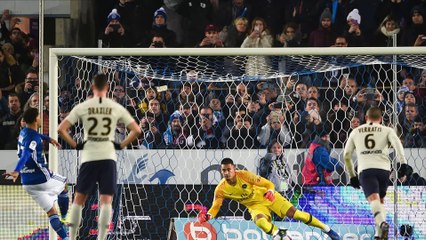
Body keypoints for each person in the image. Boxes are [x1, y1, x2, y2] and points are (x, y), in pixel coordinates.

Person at [57, 74, 141, 240]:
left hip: (89, 157)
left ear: (92, 88)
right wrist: (121, 145)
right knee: (106, 201)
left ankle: (72, 237)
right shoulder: (114, 106)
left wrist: (75, 145)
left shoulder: (84, 106)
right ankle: (102, 238)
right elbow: (137, 130)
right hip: (108, 157)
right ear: (107, 88)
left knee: (78, 200)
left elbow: (61, 128)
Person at [198, 158, 341, 240]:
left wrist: (271, 191)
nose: (227, 173)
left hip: (267, 197)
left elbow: (268, 183)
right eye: (224, 170)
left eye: (229, 169)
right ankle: (278, 234)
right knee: (259, 221)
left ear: (234, 169)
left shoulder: (245, 175)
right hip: (254, 206)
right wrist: (208, 215)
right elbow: (216, 206)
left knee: (297, 215)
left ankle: (326, 229)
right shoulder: (221, 189)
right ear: (221, 171)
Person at [343, 106, 411, 240]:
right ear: (380, 119)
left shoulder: (356, 131)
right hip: (384, 170)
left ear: (366, 118)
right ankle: (378, 234)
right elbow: (398, 145)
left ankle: (381, 224)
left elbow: (346, 155)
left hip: (366, 169)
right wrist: (403, 163)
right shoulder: (387, 130)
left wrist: (352, 176)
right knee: (379, 201)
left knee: (373, 200)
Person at [2, 108, 69, 240]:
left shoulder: (23, 132)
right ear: (35, 119)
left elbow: (34, 137)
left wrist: (48, 139)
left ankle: (65, 238)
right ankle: (65, 217)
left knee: (51, 212)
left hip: (27, 183)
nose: (40, 118)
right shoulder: (32, 137)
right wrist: (16, 171)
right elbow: (26, 154)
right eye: (39, 116)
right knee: (64, 184)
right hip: (42, 179)